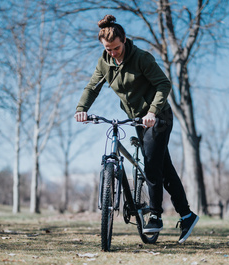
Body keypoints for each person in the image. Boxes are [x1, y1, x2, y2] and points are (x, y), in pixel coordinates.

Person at [75, 15, 198, 244]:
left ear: (124, 40)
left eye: (116, 48)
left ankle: (155, 216)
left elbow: (164, 84)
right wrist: (81, 108)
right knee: (163, 167)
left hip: (158, 116)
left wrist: (151, 112)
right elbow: (92, 87)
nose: (113, 53)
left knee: (151, 165)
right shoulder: (105, 62)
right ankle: (187, 215)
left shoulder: (141, 58)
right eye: (108, 49)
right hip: (138, 120)